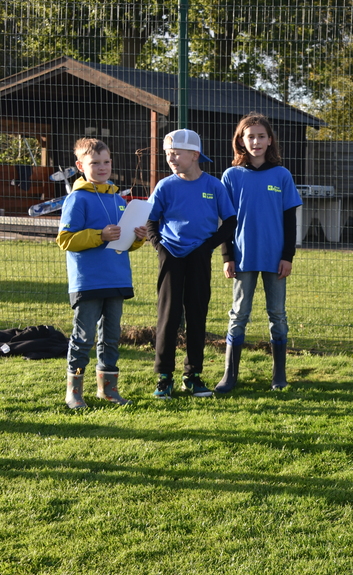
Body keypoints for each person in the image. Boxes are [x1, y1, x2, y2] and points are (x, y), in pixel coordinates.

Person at [57, 138, 147, 409]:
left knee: (111, 337)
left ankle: (108, 390)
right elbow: (65, 240)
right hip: (89, 281)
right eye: (95, 163)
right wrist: (100, 235)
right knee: (83, 338)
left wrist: (138, 237)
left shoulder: (119, 199)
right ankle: (74, 392)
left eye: (106, 161)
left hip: (117, 279)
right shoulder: (77, 199)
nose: (102, 167)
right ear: (80, 166)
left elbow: (124, 243)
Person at [215, 113, 302, 393]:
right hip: (243, 258)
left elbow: (290, 221)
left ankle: (279, 376)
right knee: (239, 314)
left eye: (261, 136)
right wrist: (227, 257)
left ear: (270, 140)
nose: (256, 142)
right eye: (250, 136)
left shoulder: (282, 175)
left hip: (275, 259)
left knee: (277, 314)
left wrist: (287, 256)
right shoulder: (231, 176)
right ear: (240, 141)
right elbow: (225, 221)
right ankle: (229, 376)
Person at [147, 129, 236, 399]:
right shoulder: (165, 186)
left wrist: (207, 247)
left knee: (197, 314)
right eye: (168, 154)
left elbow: (230, 221)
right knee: (168, 315)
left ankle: (193, 375)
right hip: (171, 256)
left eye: (176, 153)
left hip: (199, 256)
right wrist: (159, 246)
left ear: (195, 155)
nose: (170, 159)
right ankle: (164, 377)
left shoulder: (214, 186)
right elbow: (150, 220)